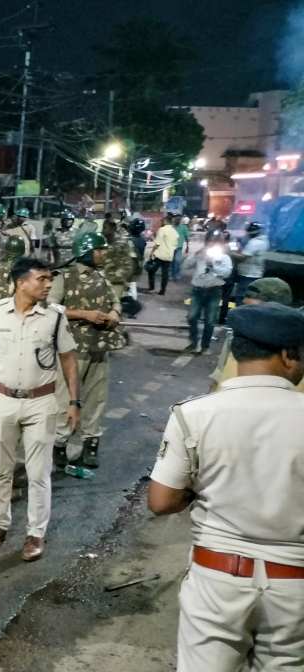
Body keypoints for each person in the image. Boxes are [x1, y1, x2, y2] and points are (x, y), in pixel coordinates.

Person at [148, 302, 304, 672]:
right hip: (294, 586)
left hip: (217, 580)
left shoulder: (193, 414)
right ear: (287, 355)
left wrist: (197, 490)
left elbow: (160, 500)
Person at [0, 257, 80, 562]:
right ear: (21, 282)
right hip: (2, 401)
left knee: (39, 473)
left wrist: (75, 401)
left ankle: (35, 533)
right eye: (42, 279)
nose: (48, 285)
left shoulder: (55, 317)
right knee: (1, 469)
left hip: (41, 402)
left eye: (50, 279)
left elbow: (68, 359)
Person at [49, 233, 125, 470]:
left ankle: (90, 445)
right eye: (99, 250)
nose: (104, 254)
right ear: (86, 251)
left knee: (96, 398)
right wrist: (84, 314)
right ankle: (59, 446)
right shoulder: (64, 277)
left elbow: (115, 301)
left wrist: (114, 314)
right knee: (65, 398)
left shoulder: (102, 277)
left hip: (99, 347)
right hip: (72, 348)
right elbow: (50, 305)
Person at [209, 277, 298, 391]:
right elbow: (219, 375)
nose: (249, 317)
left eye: (256, 311)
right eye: (246, 308)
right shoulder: (238, 336)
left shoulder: (295, 346)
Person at [185, 238, 233, 355]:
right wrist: (195, 255)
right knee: (192, 316)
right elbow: (186, 265)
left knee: (210, 320)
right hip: (198, 289)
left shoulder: (224, 258)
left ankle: (205, 345)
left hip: (214, 291)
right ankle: (193, 342)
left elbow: (226, 273)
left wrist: (213, 265)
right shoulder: (200, 256)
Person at [230, 221, 269, 305]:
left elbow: (242, 258)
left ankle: (239, 314)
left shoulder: (255, 243)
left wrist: (230, 252)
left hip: (249, 274)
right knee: (249, 296)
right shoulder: (263, 241)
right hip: (254, 273)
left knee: (241, 296)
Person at [147, 219, 178, 295]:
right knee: (165, 274)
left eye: (161, 221)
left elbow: (157, 243)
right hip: (169, 255)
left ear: (165, 222)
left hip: (160, 254)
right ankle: (162, 290)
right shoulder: (175, 232)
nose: (161, 223)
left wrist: (151, 252)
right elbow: (175, 245)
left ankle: (152, 287)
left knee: (151, 270)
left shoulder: (162, 229)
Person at [171, 215, 191, 281]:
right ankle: (172, 275)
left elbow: (187, 237)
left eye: (178, 219)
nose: (177, 220)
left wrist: (188, 246)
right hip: (171, 247)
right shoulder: (171, 227)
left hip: (179, 247)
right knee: (171, 261)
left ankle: (176, 274)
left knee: (177, 261)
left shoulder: (183, 227)